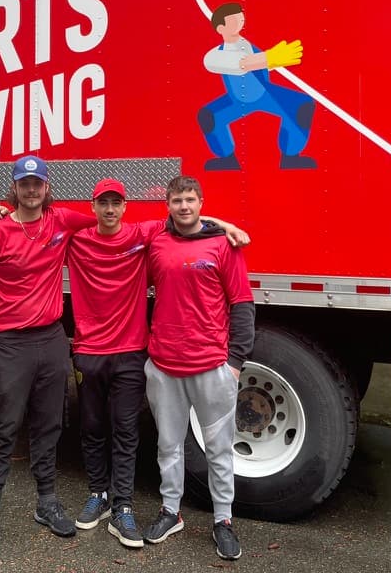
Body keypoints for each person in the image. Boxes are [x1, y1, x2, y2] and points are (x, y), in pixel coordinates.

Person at [0, 178, 250, 550]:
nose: (109, 210)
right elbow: (32, 221)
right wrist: (0, 213)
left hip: (131, 351)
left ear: (125, 207)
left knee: (126, 430)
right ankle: (99, 495)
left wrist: (226, 225)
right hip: (90, 351)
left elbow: (188, 219)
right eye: (102, 204)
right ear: (92, 207)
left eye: (116, 203)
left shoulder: (143, 234)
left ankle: (124, 504)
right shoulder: (75, 237)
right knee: (92, 427)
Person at [0, 155, 94, 551]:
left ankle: (47, 503)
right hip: (9, 344)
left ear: (47, 187)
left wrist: (214, 224)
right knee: (4, 427)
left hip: (52, 340)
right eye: (25, 184)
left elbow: (110, 220)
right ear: (15, 187)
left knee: (48, 425)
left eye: (38, 183)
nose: (32, 190)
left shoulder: (61, 222)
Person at [141, 175, 255, 561]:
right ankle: (170, 512)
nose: (184, 207)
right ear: (168, 205)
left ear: (201, 203)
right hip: (164, 366)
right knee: (168, 447)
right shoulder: (156, 242)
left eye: (190, 200)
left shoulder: (223, 244)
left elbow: (242, 303)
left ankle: (223, 520)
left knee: (219, 449)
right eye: (177, 201)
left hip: (211, 367)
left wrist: (235, 363)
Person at [199, 2, 316, 170]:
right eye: (233, 20)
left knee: (302, 105)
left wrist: (271, 60)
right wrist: (268, 58)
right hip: (236, 101)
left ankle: (290, 156)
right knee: (208, 116)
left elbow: (257, 61)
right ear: (220, 28)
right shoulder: (214, 55)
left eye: (241, 18)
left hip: (266, 94)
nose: (240, 22)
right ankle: (227, 159)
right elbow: (241, 63)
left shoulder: (249, 46)